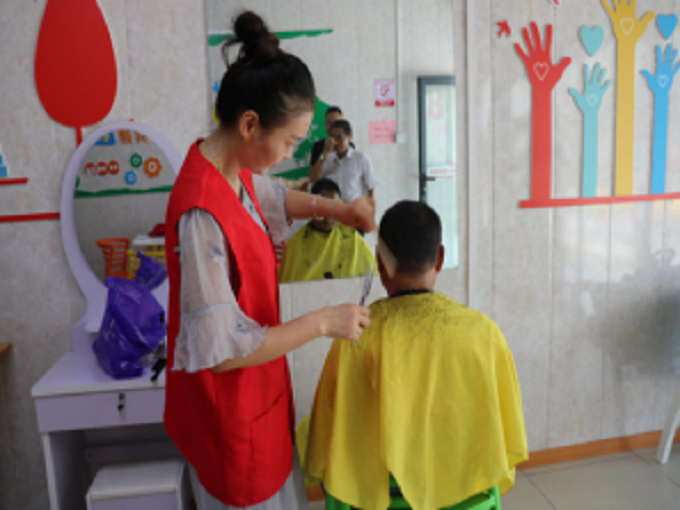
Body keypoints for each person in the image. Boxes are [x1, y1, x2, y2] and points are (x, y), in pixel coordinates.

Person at [163, 11, 375, 510]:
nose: (287, 156)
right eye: (289, 143)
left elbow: (274, 196)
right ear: (249, 124)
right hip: (230, 416)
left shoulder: (230, 167)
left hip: (261, 399)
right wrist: (324, 322)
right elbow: (225, 351)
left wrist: (339, 210)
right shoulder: (200, 213)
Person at [302, 201, 528, 510]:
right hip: (465, 489)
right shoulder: (484, 333)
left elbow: (329, 441)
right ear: (440, 259)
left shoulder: (354, 338)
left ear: (380, 263)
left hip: (383, 496)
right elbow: (502, 431)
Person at [279, 179, 376, 283]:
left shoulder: (354, 242)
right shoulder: (296, 245)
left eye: (333, 208)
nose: (328, 215)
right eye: (323, 208)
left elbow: (373, 281)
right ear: (312, 207)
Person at [308, 119, 378, 203]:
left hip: (353, 207)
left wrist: (370, 207)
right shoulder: (327, 158)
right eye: (333, 137)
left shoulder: (361, 158)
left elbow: (371, 187)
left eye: (339, 137)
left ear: (350, 137)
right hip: (332, 207)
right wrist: (325, 153)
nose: (335, 142)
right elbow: (312, 179)